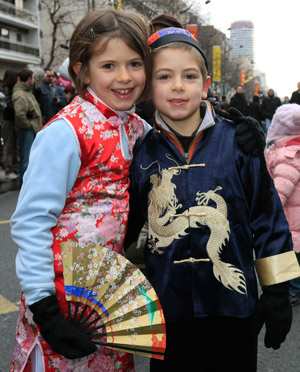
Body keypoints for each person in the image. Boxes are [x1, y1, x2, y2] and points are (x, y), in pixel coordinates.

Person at [125, 27, 300, 372]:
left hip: (233, 309)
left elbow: (268, 220)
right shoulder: (140, 152)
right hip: (168, 310)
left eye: (189, 76)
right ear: (148, 87)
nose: (178, 85)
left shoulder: (239, 143)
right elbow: (125, 225)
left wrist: (277, 293)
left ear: (205, 85)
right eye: (164, 76)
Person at [9, 8, 153, 372]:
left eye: (135, 64)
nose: (124, 77)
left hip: (106, 302)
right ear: (82, 70)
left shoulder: (139, 129)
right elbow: (30, 222)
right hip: (61, 304)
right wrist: (45, 310)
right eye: (109, 66)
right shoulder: (65, 131)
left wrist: (226, 132)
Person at [265, 104, 300, 306]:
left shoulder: (288, 155)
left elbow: (280, 191)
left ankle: (293, 290)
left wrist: (267, 209)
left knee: (290, 253)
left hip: (290, 219)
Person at [12, 68, 42, 183]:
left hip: (32, 128)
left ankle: (30, 181)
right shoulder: (20, 93)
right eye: (33, 78)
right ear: (29, 79)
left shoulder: (27, 91)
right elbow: (20, 114)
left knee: (31, 156)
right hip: (27, 130)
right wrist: (29, 125)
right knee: (26, 157)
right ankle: (25, 183)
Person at [1, 69, 19, 180]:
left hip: (13, 120)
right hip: (8, 120)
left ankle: (14, 167)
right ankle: (9, 169)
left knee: (14, 145)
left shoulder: (13, 89)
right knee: (9, 145)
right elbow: (8, 106)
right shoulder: (6, 90)